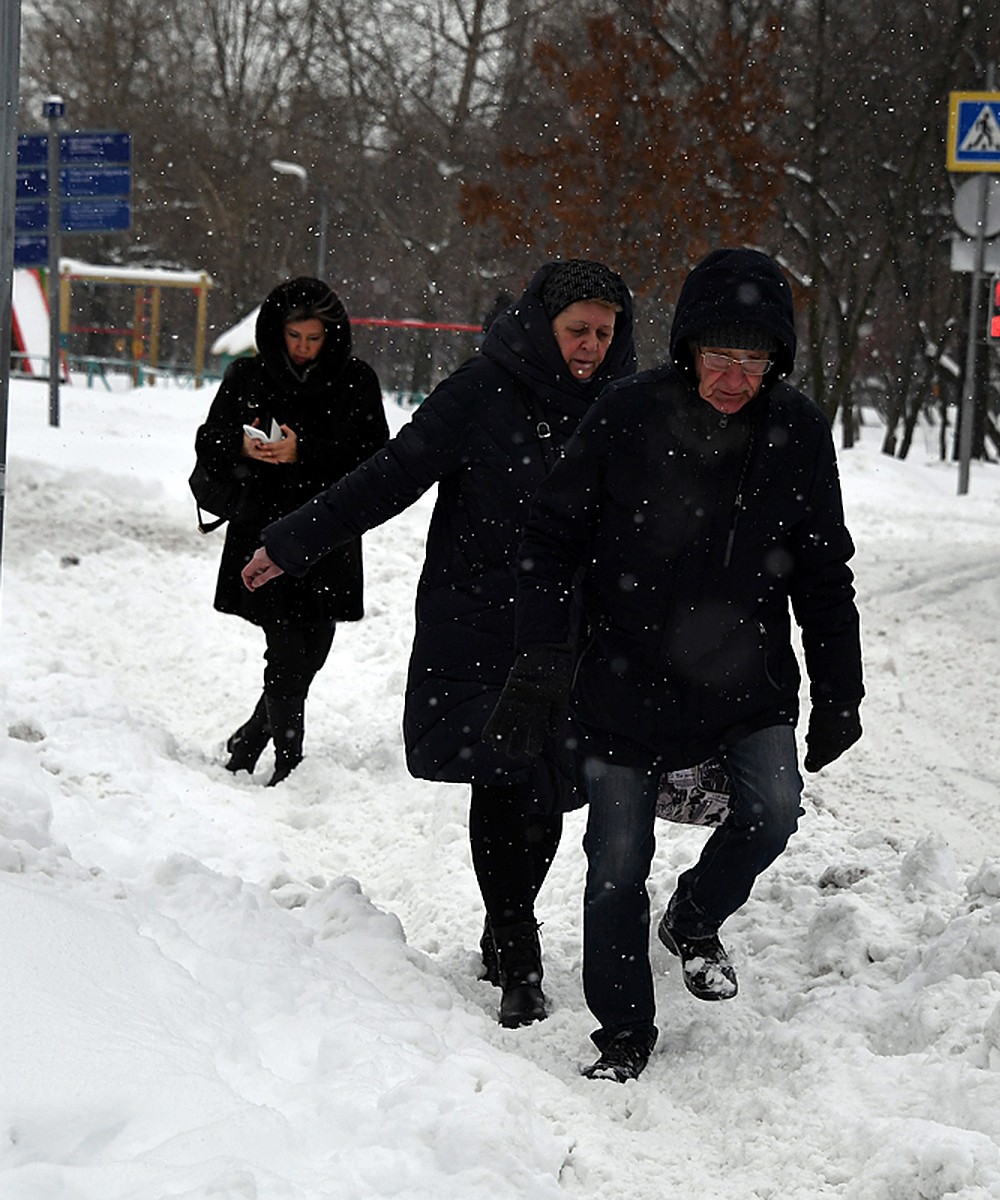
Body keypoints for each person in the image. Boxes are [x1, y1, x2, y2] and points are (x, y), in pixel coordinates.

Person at [484, 247, 865, 1082]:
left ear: (779, 362)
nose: (736, 377)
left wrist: (841, 691)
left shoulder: (795, 430)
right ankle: (623, 1032)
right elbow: (550, 540)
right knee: (617, 863)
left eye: (755, 359)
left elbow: (824, 571)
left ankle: (694, 917)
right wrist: (545, 655)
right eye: (720, 356)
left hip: (747, 682)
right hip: (627, 681)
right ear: (688, 348)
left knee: (774, 809)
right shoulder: (626, 415)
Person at [239, 260, 637, 1027]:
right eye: (576, 330)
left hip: (573, 629)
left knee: (548, 780)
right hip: (480, 619)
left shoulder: (624, 406)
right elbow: (389, 475)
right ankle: (518, 949)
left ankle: (506, 921)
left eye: (603, 332)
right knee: (503, 766)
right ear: (542, 325)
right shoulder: (482, 391)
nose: (589, 346)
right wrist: (293, 541)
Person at [195, 277, 390, 785]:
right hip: (264, 529)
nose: (303, 349)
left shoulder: (357, 381)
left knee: (314, 648)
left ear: (333, 335)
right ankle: (288, 759)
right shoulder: (247, 376)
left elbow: (375, 456)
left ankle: (250, 736)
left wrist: (304, 450)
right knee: (285, 646)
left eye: (314, 338)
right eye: (294, 336)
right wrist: (244, 445)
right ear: (276, 331)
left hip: (330, 529)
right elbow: (208, 442)